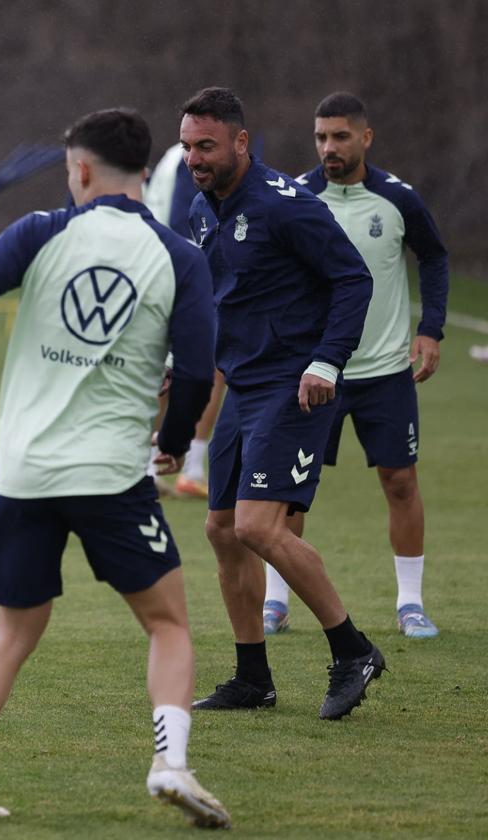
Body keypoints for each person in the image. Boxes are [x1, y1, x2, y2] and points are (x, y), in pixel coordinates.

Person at [0, 108, 229, 827]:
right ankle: (170, 764)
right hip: (111, 477)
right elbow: (201, 372)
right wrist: (174, 442)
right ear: (144, 171)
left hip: (22, 475)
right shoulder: (178, 255)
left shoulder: (40, 231)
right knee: (169, 624)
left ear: (79, 168)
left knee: (12, 633)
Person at [180, 87, 385, 720]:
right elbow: (216, 298)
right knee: (221, 529)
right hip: (243, 385)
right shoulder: (201, 209)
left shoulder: (283, 205)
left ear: (241, 143)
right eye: (187, 147)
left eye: (207, 146)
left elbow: (354, 277)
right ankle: (252, 678)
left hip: (296, 382)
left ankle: (353, 651)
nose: (195, 158)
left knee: (256, 526)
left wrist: (327, 360)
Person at [261, 92, 449, 639]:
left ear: (366, 138)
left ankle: (410, 603)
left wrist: (430, 329)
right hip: (317, 372)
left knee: (400, 482)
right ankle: (276, 601)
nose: (329, 147)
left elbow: (434, 257)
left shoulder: (397, 199)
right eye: (321, 137)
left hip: (386, 372)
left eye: (340, 136)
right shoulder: (296, 197)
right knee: (290, 489)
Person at [145, 144, 227, 499]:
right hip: (181, 274)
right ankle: (189, 467)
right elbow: (184, 220)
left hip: (157, 267)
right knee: (211, 368)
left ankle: (146, 467)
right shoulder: (188, 160)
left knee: (164, 372)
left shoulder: (171, 158)